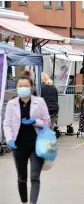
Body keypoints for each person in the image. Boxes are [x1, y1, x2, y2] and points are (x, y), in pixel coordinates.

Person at [3, 72, 51, 204]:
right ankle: (24, 201)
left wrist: (35, 121)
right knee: (22, 177)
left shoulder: (39, 102)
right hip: (18, 146)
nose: (23, 88)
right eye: (20, 85)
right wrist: (9, 139)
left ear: (31, 87)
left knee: (35, 177)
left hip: (37, 145)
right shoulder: (12, 104)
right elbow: (6, 124)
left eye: (26, 85)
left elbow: (48, 122)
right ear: (17, 87)